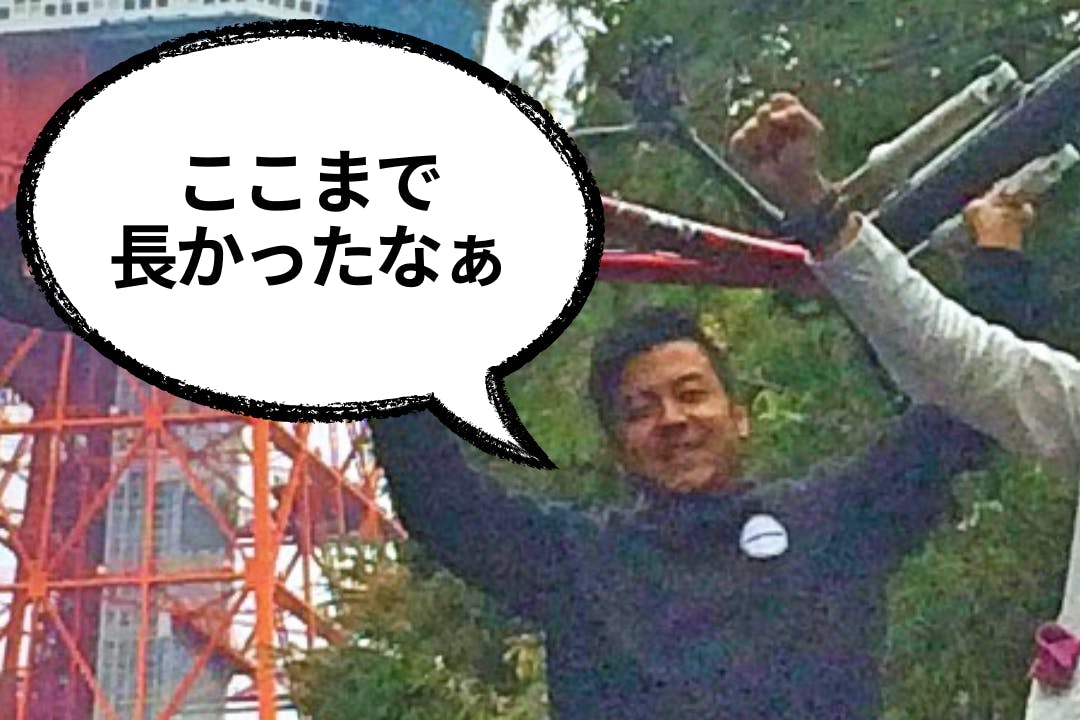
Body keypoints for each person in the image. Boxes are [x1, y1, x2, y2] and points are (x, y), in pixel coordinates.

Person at [370, 114, 1040, 720]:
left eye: (691, 394)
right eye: (640, 410)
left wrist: (999, 253)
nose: (672, 419)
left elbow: (964, 415)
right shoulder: (579, 561)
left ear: (739, 416)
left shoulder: (832, 522)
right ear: (618, 446)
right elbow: (439, 499)